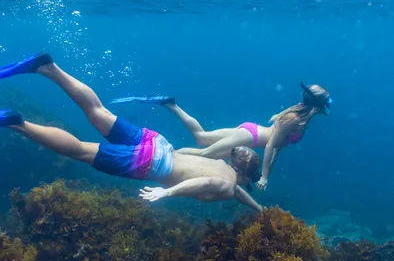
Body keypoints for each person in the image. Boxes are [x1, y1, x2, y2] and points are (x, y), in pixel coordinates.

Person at [0, 53, 263, 212]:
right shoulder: (227, 186)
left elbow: (235, 189)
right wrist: (166, 193)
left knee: (98, 111)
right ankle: (18, 123)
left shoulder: (220, 164)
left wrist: (259, 209)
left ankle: (47, 68)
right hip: (150, 164)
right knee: (80, 151)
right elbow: (208, 184)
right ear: (245, 176)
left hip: (158, 144)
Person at [111, 83, 332, 192]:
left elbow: (278, 147)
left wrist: (268, 172)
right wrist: (265, 176)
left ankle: (171, 104)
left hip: (250, 131)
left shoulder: (301, 116)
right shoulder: (296, 119)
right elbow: (273, 144)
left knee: (201, 137)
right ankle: (163, 153)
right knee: (204, 153)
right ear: (320, 105)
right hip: (250, 139)